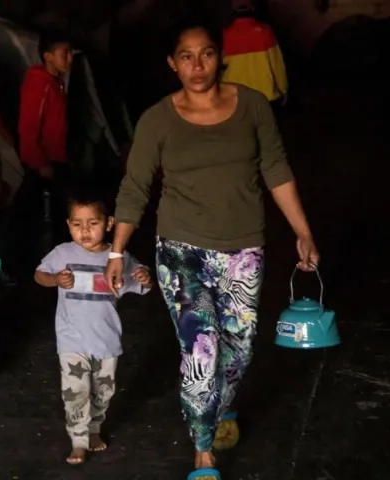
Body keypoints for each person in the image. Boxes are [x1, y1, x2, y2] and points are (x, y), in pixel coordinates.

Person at [104, 17, 320, 480]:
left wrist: (303, 230)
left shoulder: (254, 106)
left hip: (243, 249)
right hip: (181, 251)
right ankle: (203, 452)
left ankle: (222, 408)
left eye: (205, 53)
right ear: (172, 64)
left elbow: (275, 168)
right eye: (186, 56)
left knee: (238, 349)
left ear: (220, 57)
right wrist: (117, 250)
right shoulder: (158, 119)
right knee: (201, 350)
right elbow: (135, 186)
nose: (197, 65)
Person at [35, 188, 152, 465]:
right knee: (75, 393)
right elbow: (39, 274)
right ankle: (78, 440)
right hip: (71, 339)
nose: (84, 231)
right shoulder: (62, 253)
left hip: (106, 341)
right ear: (68, 226)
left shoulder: (117, 257)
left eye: (93, 223)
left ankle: (94, 429)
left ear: (110, 223)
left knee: (103, 391)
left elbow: (142, 284)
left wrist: (144, 276)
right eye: (77, 224)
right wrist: (55, 281)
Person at [0, 30, 74, 285]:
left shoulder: (56, 81)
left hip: (54, 160)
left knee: (44, 212)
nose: (70, 58)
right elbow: (28, 128)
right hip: (41, 163)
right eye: (65, 53)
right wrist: (39, 163)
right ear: (48, 56)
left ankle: (47, 265)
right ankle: (4, 264)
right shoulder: (38, 83)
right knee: (23, 214)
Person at [222, 3, 288, 106]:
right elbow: (277, 64)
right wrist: (283, 89)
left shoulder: (225, 36)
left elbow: (220, 70)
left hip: (237, 97)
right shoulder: (265, 32)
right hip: (265, 96)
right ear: (253, 8)